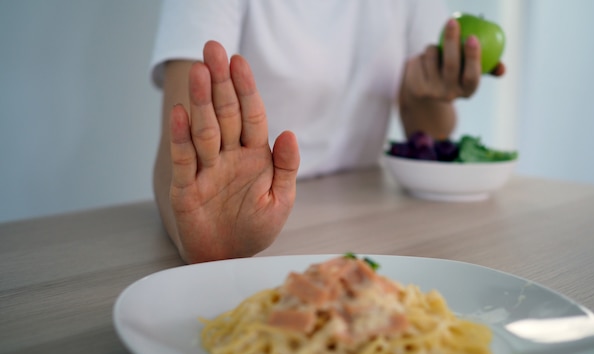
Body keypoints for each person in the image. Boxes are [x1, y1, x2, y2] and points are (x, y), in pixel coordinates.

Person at [150, 1, 505, 264]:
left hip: (370, 225)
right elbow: (179, 157)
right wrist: (197, 236)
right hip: (259, 229)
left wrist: (421, 91)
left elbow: (431, 134)